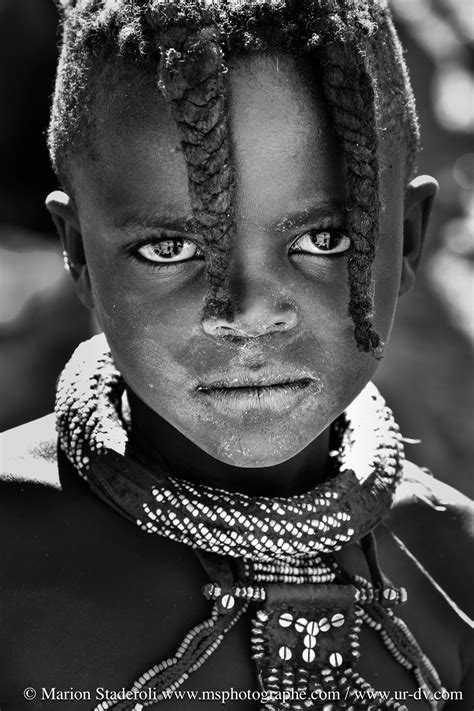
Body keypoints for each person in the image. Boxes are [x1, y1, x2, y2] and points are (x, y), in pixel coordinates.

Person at [1, 1, 473, 709]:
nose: (249, 314)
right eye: (171, 248)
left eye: (323, 240)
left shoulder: (456, 562)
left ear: (406, 242)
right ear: (78, 255)